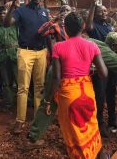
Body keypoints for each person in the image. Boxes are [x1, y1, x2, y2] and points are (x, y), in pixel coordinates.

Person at [44, 12, 109, 158]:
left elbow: (56, 77)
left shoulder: (58, 47)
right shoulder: (92, 45)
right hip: (87, 91)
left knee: (73, 130)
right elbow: (104, 73)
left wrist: (47, 100)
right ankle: (98, 153)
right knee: (91, 124)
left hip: (69, 95)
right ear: (84, 26)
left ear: (65, 28)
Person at [5, 0, 49, 133]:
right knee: (23, 87)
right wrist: (12, 7)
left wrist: (50, 50)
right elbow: (6, 23)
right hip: (25, 52)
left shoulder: (44, 12)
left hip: (41, 52)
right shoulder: (21, 11)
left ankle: (37, 118)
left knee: (39, 87)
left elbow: (47, 31)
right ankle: (20, 120)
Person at [85, 0, 114, 137]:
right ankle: (99, 122)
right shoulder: (93, 27)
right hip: (99, 66)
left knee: (111, 94)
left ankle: (113, 121)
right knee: (100, 95)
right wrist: (92, 5)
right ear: (95, 14)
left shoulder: (108, 26)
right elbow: (88, 25)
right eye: (101, 11)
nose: (104, 13)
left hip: (112, 64)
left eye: (105, 11)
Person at [0, 6, 18, 108]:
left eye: (4, 13)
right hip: (3, 57)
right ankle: (9, 102)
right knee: (6, 82)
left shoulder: (15, 26)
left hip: (16, 55)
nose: (3, 15)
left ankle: (22, 102)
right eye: (1, 14)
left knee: (19, 80)